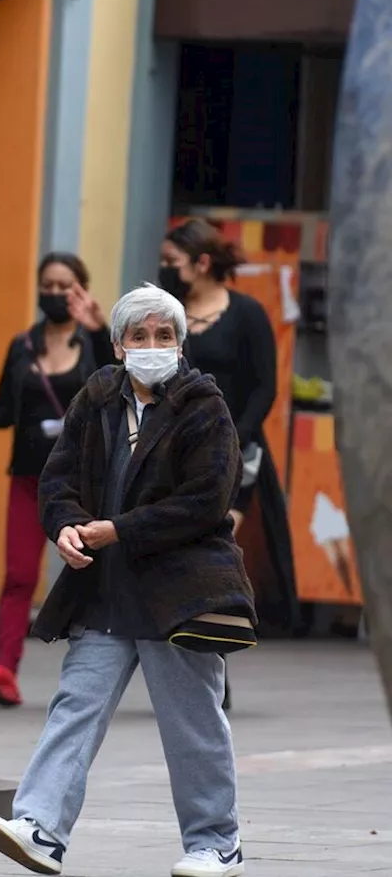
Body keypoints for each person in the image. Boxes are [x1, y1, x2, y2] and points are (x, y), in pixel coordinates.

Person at [0, 284, 255, 877]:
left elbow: (207, 500)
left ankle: (216, 842)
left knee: (192, 722)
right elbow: (57, 482)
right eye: (140, 335)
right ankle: (40, 828)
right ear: (118, 343)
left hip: (179, 592)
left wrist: (119, 530)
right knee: (75, 706)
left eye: (164, 336)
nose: (152, 345)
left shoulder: (205, 405)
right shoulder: (97, 398)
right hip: (103, 590)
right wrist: (68, 527)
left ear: (180, 346)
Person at [0, 252, 113, 707]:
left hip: (84, 482)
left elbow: (113, 393)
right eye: (48, 286)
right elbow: (1, 413)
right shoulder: (23, 346)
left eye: (65, 286)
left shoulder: (96, 343)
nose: (54, 294)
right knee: (18, 576)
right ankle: (4, 672)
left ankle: (102, 672)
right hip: (28, 479)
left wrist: (98, 329)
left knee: (98, 574)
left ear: (82, 291)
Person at [159, 219, 297, 638]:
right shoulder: (167, 316)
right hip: (176, 452)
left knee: (213, 546)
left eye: (172, 261)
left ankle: (215, 639)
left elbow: (265, 387)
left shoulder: (246, 313)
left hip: (236, 452)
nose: (164, 268)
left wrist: (237, 438)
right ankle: (193, 636)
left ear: (201, 263)